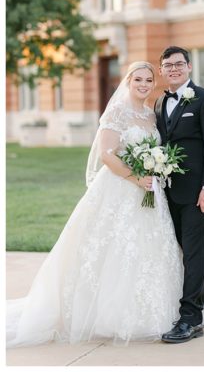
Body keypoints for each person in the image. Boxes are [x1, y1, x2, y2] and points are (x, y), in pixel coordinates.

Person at [7, 62, 183, 347]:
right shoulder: (116, 112)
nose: (143, 84)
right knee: (110, 248)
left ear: (154, 84)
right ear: (128, 81)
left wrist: (153, 171)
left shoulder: (151, 115)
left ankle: (151, 311)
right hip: (119, 188)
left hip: (150, 193)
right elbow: (106, 155)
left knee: (146, 248)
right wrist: (136, 177)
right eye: (138, 79)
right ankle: (103, 315)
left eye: (149, 80)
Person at [155, 46, 204, 343]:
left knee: (194, 254)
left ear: (189, 67)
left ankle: (190, 318)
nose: (174, 69)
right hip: (169, 193)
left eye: (179, 64)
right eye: (168, 65)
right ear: (161, 70)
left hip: (199, 194)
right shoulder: (160, 103)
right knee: (189, 251)